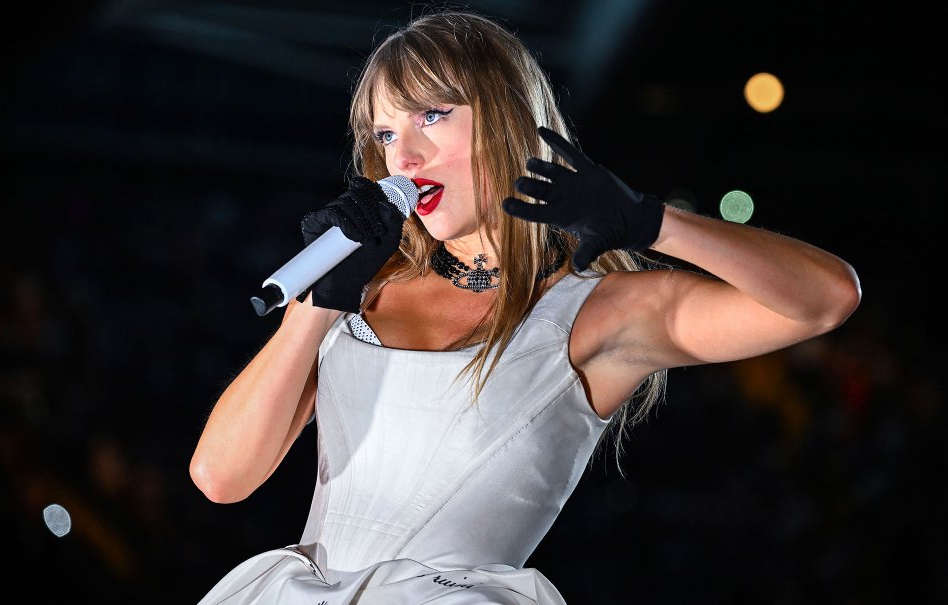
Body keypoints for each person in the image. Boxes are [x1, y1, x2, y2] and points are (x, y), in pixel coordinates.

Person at [189, 8, 861, 605]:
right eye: (385, 133)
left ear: (509, 116)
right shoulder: (358, 292)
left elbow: (827, 300)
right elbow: (219, 477)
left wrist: (656, 224)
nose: (407, 153)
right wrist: (318, 303)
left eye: (431, 114)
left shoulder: (597, 312)